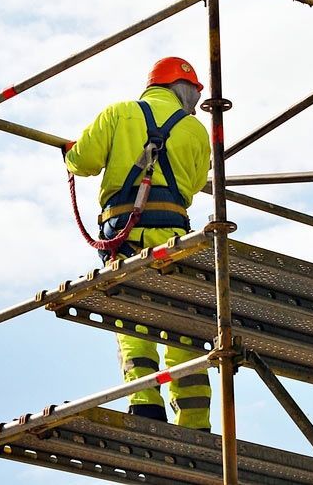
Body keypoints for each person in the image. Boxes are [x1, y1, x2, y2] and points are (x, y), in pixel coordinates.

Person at [64, 56, 212, 429]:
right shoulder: (195, 131)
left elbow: (82, 161)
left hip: (123, 236)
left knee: (134, 320)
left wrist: (70, 152)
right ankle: (195, 421)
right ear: (184, 88)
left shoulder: (118, 113)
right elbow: (194, 184)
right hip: (175, 236)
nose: (196, 99)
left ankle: (145, 404)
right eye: (195, 92)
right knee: (183, 324)